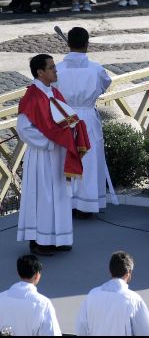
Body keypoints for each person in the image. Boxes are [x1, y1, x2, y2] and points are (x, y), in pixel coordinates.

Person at [17, 54, 90, 256]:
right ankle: (38, 241)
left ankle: (58, 238)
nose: (55, 70)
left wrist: (75, 129)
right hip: (42, 155)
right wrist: (51, 141)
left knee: (59, 195)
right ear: (40, 72)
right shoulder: (32, 97)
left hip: (58, 155)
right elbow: (24, 130)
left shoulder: (54, 93)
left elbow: (65, 119)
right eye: (51, 67)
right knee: (42, 197)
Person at [55, 27, 115, 219]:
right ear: (87, 44)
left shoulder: (56, 69)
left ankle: (68, 202)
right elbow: (106, 84)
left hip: (65, 118)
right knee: (89, 159)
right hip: (87, 116)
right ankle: (87, 203)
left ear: (68, 44)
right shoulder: (96, 69)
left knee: (66, 157)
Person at [76, 251, 149, 336]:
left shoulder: (92, 295)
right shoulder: (133, 299)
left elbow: (81, 329)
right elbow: (148, 333)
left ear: (110, 271)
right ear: (129, 273)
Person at [0, 255, 61, 336]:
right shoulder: (43, 303)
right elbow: (52, 333)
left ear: (18, 272)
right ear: (37, 275)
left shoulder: (2, 297)